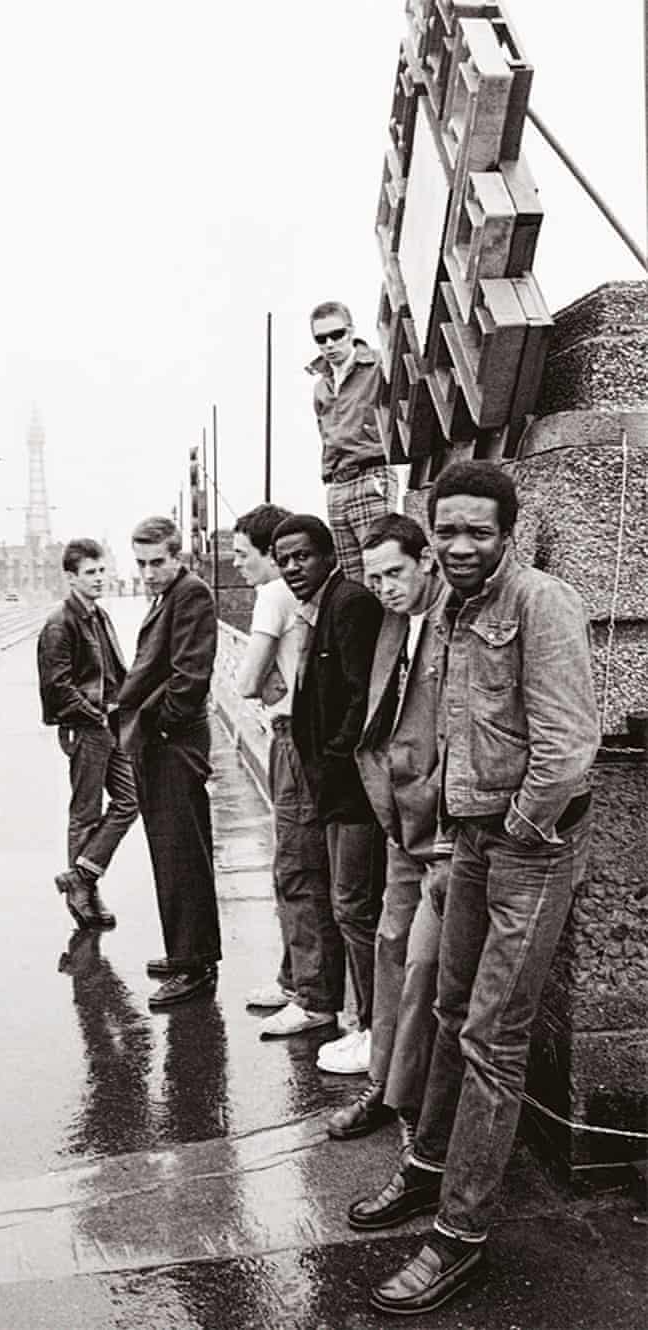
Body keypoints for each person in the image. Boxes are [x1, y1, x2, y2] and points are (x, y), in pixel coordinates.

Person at [348, 462, 600, 1317]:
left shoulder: (540, 602)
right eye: (447, 530)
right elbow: (456, 733)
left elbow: (569, 745)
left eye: (477, 532)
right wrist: (457, 831)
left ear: (508, 534)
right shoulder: (451, 609)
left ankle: (462, 1233)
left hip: (527, 846)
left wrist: (522, 829)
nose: (459, 546)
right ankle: (427, 1169)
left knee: (494, 1039)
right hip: (472, 841)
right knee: (453, 1015)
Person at [324, 514, 449, 1134]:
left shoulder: (456, 618)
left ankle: (422, 1114)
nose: (384, 588)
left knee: (431, 970)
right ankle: (385, 1089)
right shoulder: (394, 623)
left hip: (450, 835)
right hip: (403, 825)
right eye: (374, 577)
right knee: (392, 950)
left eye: (395, 573)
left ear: (427, 559)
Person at [264, 514, 383, 1047]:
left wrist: (333, 764)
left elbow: (363, 699)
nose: (292, 567)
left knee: (355, 908)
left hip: (352, 793)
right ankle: (360, 1022)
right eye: (284, 559)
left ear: (329, 555)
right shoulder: (321, 609)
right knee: (346, 905)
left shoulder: (350, 604)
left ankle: (372, 1028)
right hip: (335, 787)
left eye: (302, 556)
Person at [232, 503, 333, 1018]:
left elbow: (248, 682)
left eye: (244, 553)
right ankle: (295, 978)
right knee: (301, 862)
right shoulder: (303, 599)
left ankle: (311, 996)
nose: (236, 564)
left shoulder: (273, 595)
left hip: (292, 738)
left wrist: (265, 678)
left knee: (295, 866)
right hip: (302, 736)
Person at [117, 516, 222, 1009]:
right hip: (161, 741)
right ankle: (186, 951)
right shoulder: (168, 595)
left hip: (172, 742)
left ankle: (193, 963)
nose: (149, 572)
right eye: (141, 564)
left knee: (182, 853)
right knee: (171, 850)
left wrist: (159, 726)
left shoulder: (191, 593)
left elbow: (190, 675)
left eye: (158, 561)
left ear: (178, 556)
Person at [37, 538, 137, 929]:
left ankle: (82, 875)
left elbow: (116, 670)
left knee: (130, 801)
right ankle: (83, 894)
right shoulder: (60, 623)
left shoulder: (99, 615)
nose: (100, 579)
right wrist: (93, 715)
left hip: (111, 724)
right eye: (91, 573)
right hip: (87, 727)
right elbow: (57, 684)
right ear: (71, 578)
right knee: (85, 812)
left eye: (102, 570)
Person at [307, 300, 398, 584]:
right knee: (353, 580)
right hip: (337, 484)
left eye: (337, 334)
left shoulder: (379, 365)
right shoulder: (321, 385)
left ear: (351, 331)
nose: (330, 344)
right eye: (321, 339)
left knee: (384, 570)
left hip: (371, 474)